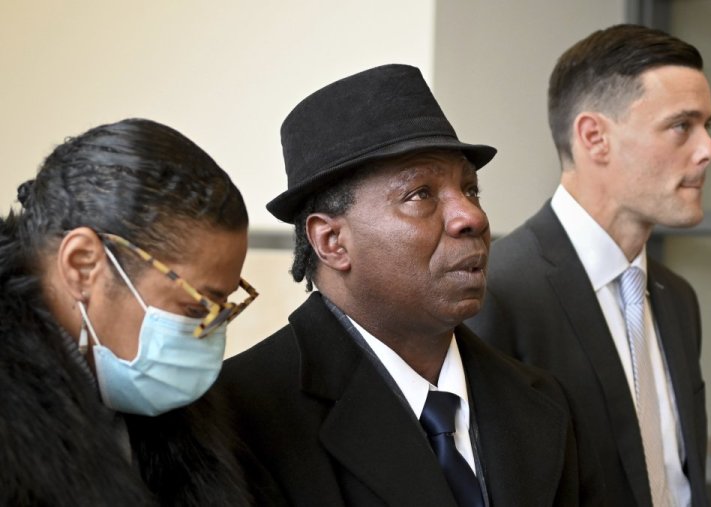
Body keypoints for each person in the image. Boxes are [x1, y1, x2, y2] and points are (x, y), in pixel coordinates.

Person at [217, 64, 604, 506]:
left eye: (471, 190)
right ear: (332, 241)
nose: (471, 217)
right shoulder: (240, 416)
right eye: (421, 194)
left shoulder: (542, 401)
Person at [467, 24, 711, 507]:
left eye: (709, 125)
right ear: (594, 137)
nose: (709, 149)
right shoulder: (497, 291)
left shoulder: (677, 296)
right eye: (682, 125)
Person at [0, 118, 276, 505]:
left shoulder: (172, 418)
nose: (210, 332)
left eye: (222, 306)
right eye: (196, 304)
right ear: (83, 265)